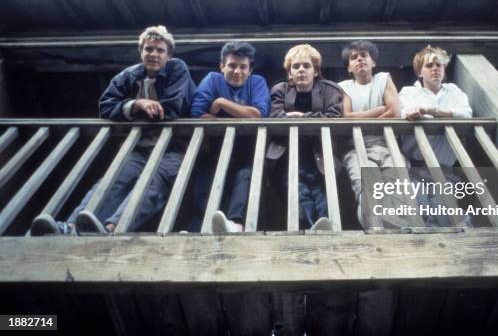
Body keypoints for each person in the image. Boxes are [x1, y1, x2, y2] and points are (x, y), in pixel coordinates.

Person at [31, 25, 196, 235]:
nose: (154, 54)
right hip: (139, 145)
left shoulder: (177, 68)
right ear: (141, 52)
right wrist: (136, 104)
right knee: (113, 180)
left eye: (160, 50)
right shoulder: (128, 76)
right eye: (149, 49)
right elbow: (105, 107)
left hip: (173, 147)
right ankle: (72, 227)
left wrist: (130, 109)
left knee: (153, 183)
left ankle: (112, 229)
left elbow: (170, 109)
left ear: (169, 55)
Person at [190, 41, 270, 233]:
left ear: (250, 70)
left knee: (246, 175)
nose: (237, 71)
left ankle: (236, 224)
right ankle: (200, 227)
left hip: (247, 149)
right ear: (222, 66)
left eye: (243, 67)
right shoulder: (212, 79)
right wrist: (242, 112)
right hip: (214, 148)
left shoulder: (257, 82)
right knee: (205, 181)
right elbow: (196, 115)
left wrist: (221, 103)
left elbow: (259, 114)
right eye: (232, 65)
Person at [266, 44, 343, 231]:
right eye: (296, 66)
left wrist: (303, 117)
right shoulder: (280, 90)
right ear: (289, 73)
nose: (301, 70)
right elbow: (275, 116)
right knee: (296, 192)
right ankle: (309, 228)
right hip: (285, 154)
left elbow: (335, 115)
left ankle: (325, 228)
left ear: (316, 71)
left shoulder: (329, 89)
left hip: (318, 154)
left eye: (307, 66)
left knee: (319, 192)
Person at [399, 45, 473, 226]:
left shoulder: (453, 91)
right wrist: (413, 113)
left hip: (445, 168)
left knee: (447, 212)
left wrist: (434, 111)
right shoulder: (409, 92)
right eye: (429, 65)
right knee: (420, 210)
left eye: (439, 65)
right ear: (419, 72)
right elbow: (401, 112)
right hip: (415, 168)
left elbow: (466, 113)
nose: (435, 69)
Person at [337, 40, 404, 228]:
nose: (359, 59)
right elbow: (347, 117)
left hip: (388, 146)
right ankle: (376, 231)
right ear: (349, 67)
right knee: (368, 190)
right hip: (358, 149)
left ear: (373, 62)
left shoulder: (383, 79)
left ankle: (398, 233)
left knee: (398, 191)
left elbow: (395, 113)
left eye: (364, 55)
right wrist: (379, 110)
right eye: (353, 57)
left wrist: (363, 118)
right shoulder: (344, 87)